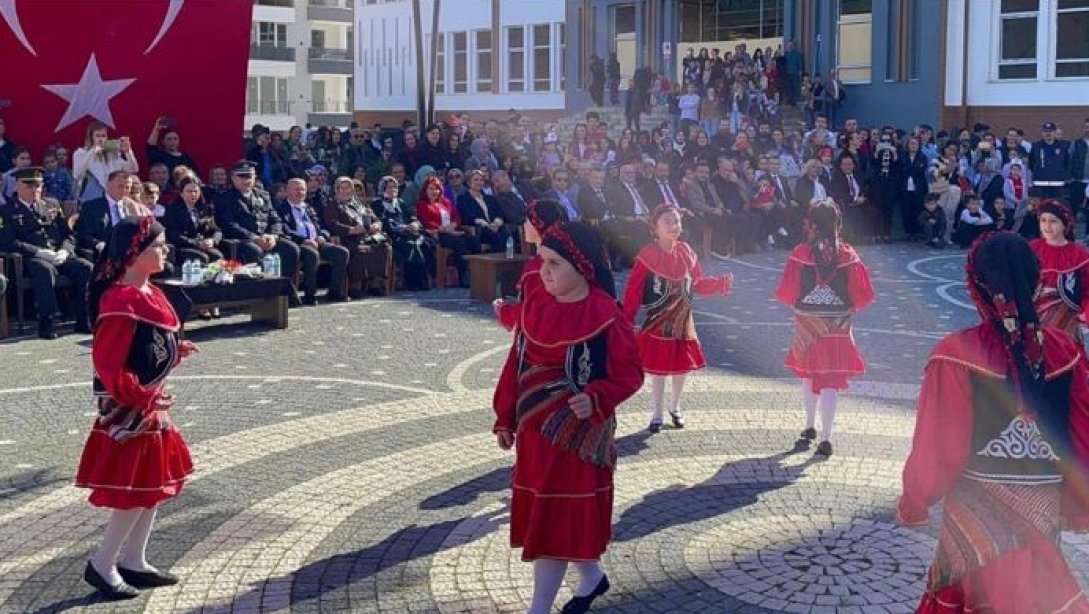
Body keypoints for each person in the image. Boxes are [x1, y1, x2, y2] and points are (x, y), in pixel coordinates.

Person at [898, 231, 1089, 614]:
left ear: (978, 285)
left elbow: (940, 446)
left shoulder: (955, 354)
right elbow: (1081, 435)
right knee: (1033, 594)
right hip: (1042, 503)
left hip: (974, 505)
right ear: (1036, 281)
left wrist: (915, 501)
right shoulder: (1066, 352)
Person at [492, 221, 643, 614]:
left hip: (578, 437)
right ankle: (591, 578)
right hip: (535, 433)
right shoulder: (536, 301)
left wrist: (597, 398)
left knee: (558, 515)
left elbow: (629, 374)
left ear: (582, 266)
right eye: (542, 261)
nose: (544, 272)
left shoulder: (605, 313)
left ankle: (538, 609)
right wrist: (505, 414)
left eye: (555, 264)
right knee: (556, 514)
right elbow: (517, 362)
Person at [76, 216, 198, 600]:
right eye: (158, 247)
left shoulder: (151, 292)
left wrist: (174, 352)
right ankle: (102, 563)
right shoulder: (118, 300)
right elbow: (110, 364)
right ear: (134, 254)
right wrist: (141, 397)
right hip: (131, 411)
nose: (165, 251)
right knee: (134, 490)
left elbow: (148, 345)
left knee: (152, 488)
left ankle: (133, 558)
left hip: (151, 404)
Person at [774, 200, 874, 456]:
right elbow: (861, 295)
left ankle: (809, 427)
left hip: (807, 319)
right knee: (830, 377)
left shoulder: (801, 253)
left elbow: (789, 290)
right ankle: (827, 438)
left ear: (811, 225)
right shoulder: (848, 255)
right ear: (838, 224)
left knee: (808, 372)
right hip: (837, 322)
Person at [622, 205, 732, 432]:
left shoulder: (686, 252)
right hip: (658, 319)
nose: (673, 226)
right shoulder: (647, 255)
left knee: (681, 366)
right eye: (667, 222)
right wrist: (626, 319)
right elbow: (634, 290)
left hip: (683, 319)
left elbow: (697, 283)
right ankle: (657, 413)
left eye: (676, 222)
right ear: (656, 227)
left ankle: (675, 406)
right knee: (659, 367)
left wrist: (719, 284)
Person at [0, 167, 93, 338]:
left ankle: (83, 317)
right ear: (17, 187)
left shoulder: (51, 205)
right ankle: (47, 321)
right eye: (29, 186)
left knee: (85, 267)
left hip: (58, 254)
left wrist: (65, 250)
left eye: (38, 185)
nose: (34, 190)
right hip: (30, 259)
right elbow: (8, 243)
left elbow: (69, 234)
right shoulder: (7, 211)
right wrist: (38, 252)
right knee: (44, 269)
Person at [215, 161, 300, 282]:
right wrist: (254, 238)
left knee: (292, 249)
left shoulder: (263, 195)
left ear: (255, 177)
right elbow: (229, 225)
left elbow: (275, 219)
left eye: (249, 176)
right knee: (255, 251)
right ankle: (262, 291)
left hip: (266, 238)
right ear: (233, 178)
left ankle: (283, 289)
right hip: (243, 240)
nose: (246, 180)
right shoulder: (225, 198)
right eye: (242, 177)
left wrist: (273, 236)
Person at [493, 199, 569, 331]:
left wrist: (503, 310)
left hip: (543, 338)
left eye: (527, 221)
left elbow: (532, 313)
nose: (524, 225)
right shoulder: (567, 257)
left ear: (537, 225)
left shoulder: (539, 267)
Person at [277, 178, 349, 304]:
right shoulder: (281, 209)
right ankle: (310, 294)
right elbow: (284, 231)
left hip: (317, 241)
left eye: (302, 189)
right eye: (296, 189)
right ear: (287, 191)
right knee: (312, 254)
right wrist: (304, 240)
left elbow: (324, 226)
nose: (300, 192)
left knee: (342, 252)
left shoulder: (309, 207)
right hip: (299, 244)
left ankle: (334, 292)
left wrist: (322, 236)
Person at [1030, 199, 1089, 343]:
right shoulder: (1032, 248)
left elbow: (1087, 288)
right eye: (1043, 220)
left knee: (1063, 355)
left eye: (1053, 221)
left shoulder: (1079, 254)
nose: (1047, 226)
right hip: (1033, 316)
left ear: (1065, 224)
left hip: (1066, 317)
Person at [323, 176, 391, 298]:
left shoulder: (359, 204)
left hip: (366, 236)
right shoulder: (332, 205)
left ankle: (375, 282)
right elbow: (332, 224)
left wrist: (376, 225)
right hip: (347, 238)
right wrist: (352, 230)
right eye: (341, 188)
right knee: (359, 249)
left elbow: (375, 219)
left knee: (384, 246)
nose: (345, 191)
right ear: (336, 190)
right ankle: (355, 285)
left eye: (348, 188)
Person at [372, 175, 434, 291]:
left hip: (409, 233)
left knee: (427, 244)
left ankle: (422, 279)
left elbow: (411, 217)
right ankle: (411, 282)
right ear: (382, 189)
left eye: (394, 187)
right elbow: (383, 223)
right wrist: (405, 228)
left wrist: (414, 224)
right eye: (389, 187)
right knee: (410, 246)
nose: (392, 190)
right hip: (393, 236)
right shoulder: (378, 204)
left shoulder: (400, 202)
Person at [417, 175, 479, 288]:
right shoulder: (422, 204)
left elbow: (456, 217)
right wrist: (446, 230)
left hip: (453, 230)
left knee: (473, 240)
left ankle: (477, 273)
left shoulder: (445, 202)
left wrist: (453, 225)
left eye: (436, 188)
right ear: (425, 190)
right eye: (430, 188)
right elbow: (426, 222)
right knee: (459, 242)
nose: (434, 191)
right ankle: (463, 275)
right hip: (438, 234)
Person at [73, 121, 139, 203]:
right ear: (91, 137)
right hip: (90, 198)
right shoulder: (81, 153)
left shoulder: (112, 154)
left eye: (103, 136)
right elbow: (77, 174)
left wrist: (128, 152)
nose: (100, 139)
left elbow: (133, 169)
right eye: (97, 136)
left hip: (111, 197)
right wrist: (93, 151)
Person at [456, 169, 510, 251]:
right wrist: (486, 224)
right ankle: (498, 262)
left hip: (494, 227)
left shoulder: (489, 198)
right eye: (476, 180)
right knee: (496, 236)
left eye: (481, 180)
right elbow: (467, 216)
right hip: (479, 229)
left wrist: (496, 223)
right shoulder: (463, 199)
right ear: (468, 183)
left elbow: (499, 213)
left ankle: (509, 261)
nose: (479, 182)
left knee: (506, 233)